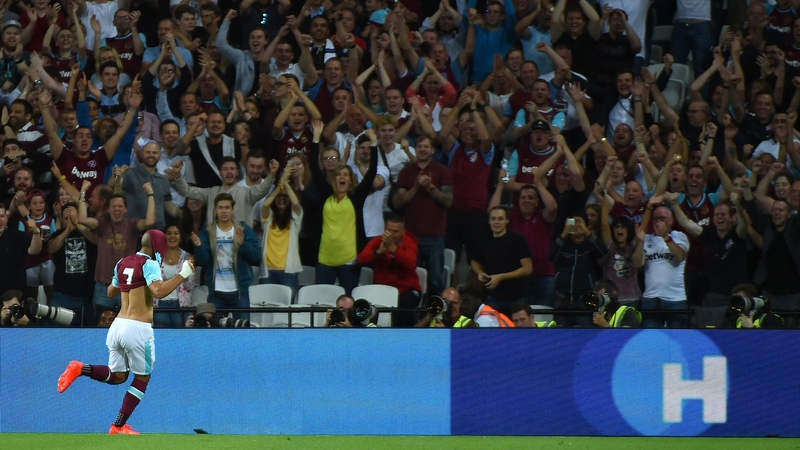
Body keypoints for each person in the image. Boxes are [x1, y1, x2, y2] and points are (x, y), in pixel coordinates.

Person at [56, 229, 195, 434]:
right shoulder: (150, 264)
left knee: (118, 376)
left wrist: (130, 287)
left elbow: (111, 291)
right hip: (138, 328)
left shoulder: (122, 262)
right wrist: (184, 273)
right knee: (143, 377)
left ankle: (80, 368)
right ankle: (118, 426)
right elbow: (159, 292)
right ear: (157, 247)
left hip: (118, 325)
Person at [308, 121, 377, 294]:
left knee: (349, 301)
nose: (342, 177)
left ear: (350, 179)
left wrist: (375, 144)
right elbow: (315, 170)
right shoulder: (326, 195)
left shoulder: (356, 197)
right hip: (325, 258)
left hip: (349, 260)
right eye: (339, 174)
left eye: (345, 174)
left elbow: (371, 173)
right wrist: (316, 139)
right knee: (322, 301)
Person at [78, 182, 156, 312]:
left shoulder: (132, 225)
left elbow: (150, 221)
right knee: (100, 326)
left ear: (126, 209)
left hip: (127, 285)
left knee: (127, 326)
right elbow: (82, 220)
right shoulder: (102, 224)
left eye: (120, 206)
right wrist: (82, 192)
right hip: (104, 288)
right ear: (108, 209)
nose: (117, 209)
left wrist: (150, 194)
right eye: (113, 206)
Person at [393, 134, 452, 295]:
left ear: (432, 150)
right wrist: (415, 188)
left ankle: (435, 317)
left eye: (426, 146)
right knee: (412, 280)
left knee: (435, 281)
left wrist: (430, 187)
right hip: (411, 236)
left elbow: (448, 201)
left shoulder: (442, 171)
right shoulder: (406, 172)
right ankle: (415, 317)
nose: (422, 149)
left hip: (435, 235)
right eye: (419, 146)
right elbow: (397, 202)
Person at [191, 193, 261, 320]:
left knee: (243, 331)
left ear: (233, 209)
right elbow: (204, 261)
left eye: (227, 207)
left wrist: (242, 244)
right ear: (215, 210)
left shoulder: (244, 229)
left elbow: (256, 257)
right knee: (215, 333)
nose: (224, 211)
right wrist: (199, 247)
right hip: (216, 293)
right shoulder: (208, 231)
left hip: (240, 293)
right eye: (220, 207)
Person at [357, 215, 421, 328]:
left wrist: (393, 248)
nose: (391, 234)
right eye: (388, 230)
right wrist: (378, 252)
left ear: (403, 232)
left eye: (395, 231)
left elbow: (411, 264)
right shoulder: (378, 241)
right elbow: (361, 259)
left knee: (406, 304)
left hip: (406, 289)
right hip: (383, 289)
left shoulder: (410, 242)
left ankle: (405, 337)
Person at [470, 206, 533, 317]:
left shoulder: (518, 240)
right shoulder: (482, 240)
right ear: (489, 221)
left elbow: (528, 269)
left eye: (500, 219)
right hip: (492, 297)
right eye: (493, 219)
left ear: (507, 220)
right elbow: (474, 261)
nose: (496, 222)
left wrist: (501, 277)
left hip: (517, 297)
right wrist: (480, 272)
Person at [548, 214, 608, 327]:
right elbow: (551, 256)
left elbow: (603, 251)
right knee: (561, 336)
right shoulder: (563, 243)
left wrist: (587, 233)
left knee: (584, 335)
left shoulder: (590, 244)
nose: (576, 226)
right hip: (562, 300)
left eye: (579, 222)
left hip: (584, 301)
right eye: (573, 222)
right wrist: (564, 233)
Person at [641, 203, 690, 328]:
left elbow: (680, 256)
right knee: (651, 341)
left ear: (671, 220)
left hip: (675, 300)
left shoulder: (679, 236)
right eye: (656, 218)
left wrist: (665, 237)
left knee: (677, 340)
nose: (658, 221)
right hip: (650, 299)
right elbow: (637, 264)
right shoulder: (646, 239)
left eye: (662, 218)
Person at [258, 167, 303, 298]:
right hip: (268, 272)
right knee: (266, 308)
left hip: (288, 272)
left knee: (287, 310)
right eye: (278, 197)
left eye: (285, 197)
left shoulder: (295, 220)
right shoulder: (268, 217)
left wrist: (286, 184)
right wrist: (279, 186)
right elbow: (265, 205)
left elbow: (296, 204)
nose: (281, 199)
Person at [153, 226, 195, 328]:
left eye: (176, 233)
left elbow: (190, 286)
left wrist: (188, 269)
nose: (172, 236)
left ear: (180, 237)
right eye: (169, 233)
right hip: (160, 305)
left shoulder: (187, 257)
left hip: (180, 306)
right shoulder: (156, 257)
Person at [0, 202, 43, 296]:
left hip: (14, 296)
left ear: (6, 219)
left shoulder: (17, 236)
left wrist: (36, 232)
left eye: (2, 216)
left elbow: (35, 251)